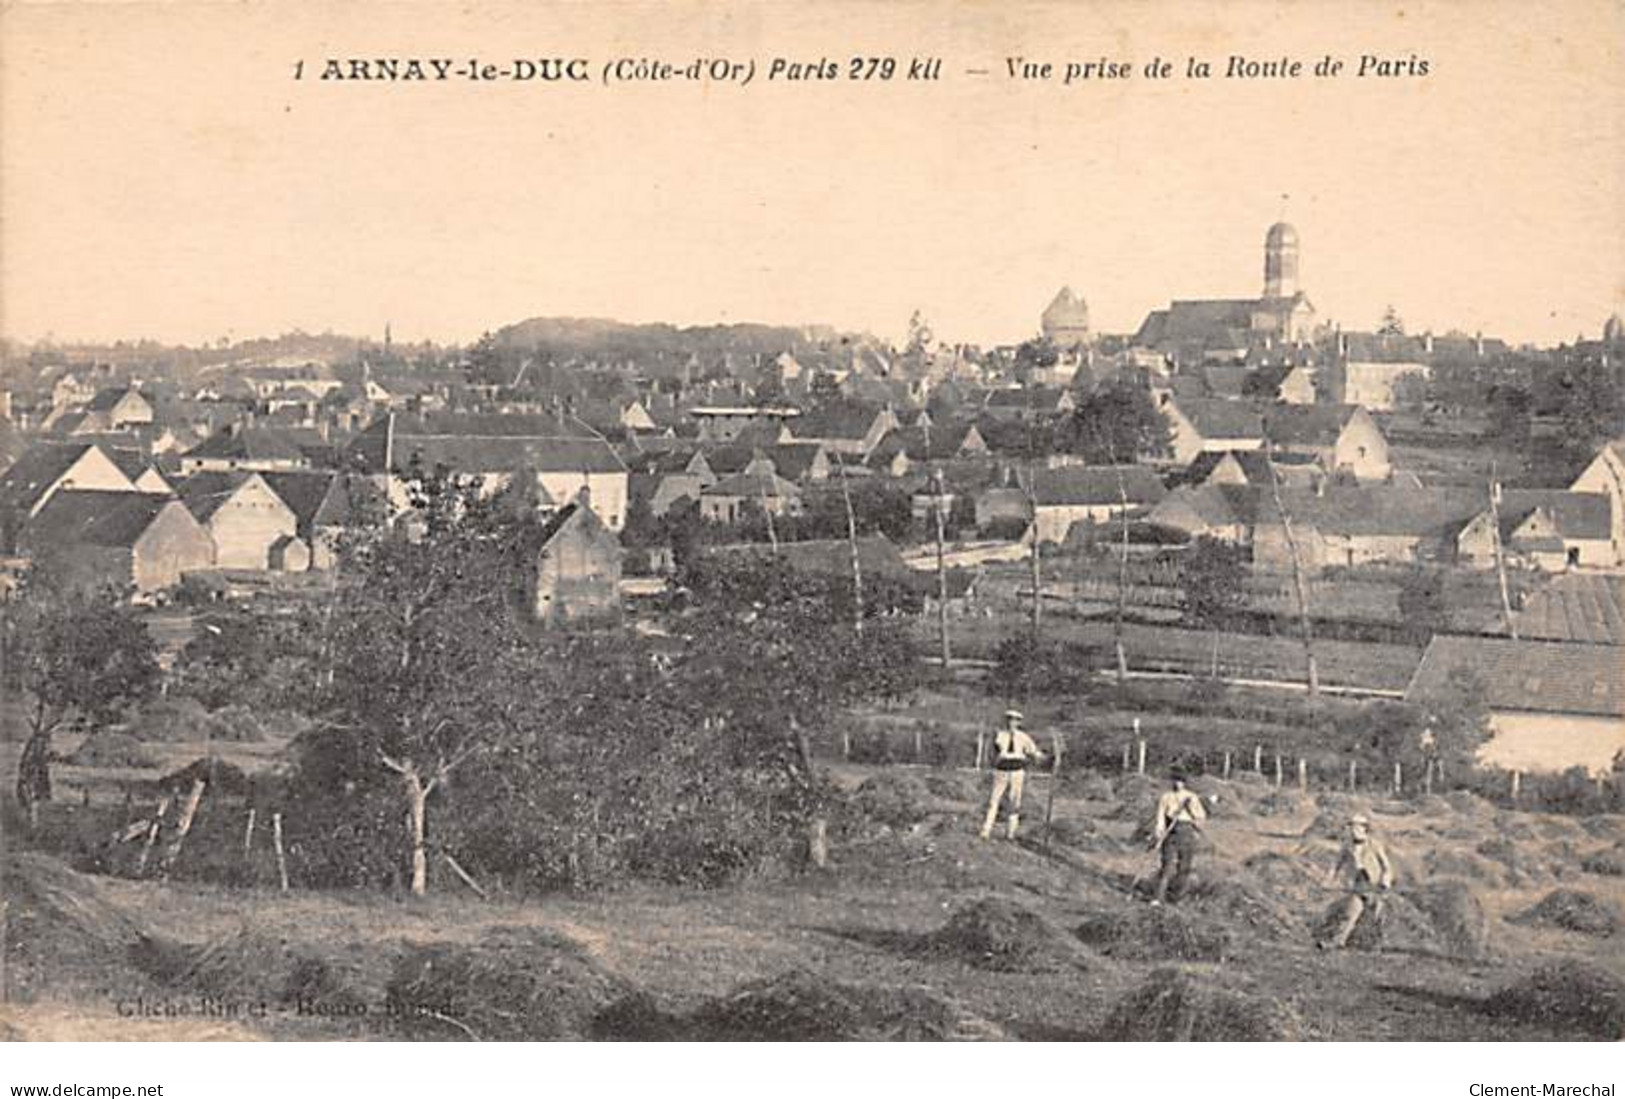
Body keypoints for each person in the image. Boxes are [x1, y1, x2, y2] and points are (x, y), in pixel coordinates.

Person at [1317, 814, 1394, 950]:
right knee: (1350, 914)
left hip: (1375, 886)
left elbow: (1386, 866)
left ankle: (1376, 946)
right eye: (1351, 826)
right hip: (1358, 885)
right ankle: (1337, 942)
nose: (1353, 830)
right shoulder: (1347, 846)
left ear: (1365, 828)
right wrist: (1327, 880)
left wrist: (1385, 882)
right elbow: (1336, 864)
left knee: (1376, 917)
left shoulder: (1375, 845)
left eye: (1356, 826)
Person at [980, 710, 1042, 840]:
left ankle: (1010, 834)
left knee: (1014, 803)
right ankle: (986, 831)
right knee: (994, 801)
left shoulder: (1023, 737)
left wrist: (1043, 757)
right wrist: (993, 762)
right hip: (1001, 771)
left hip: (1017, 772)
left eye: (1015, 720)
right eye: (1009, 719)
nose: (1011, 723)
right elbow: (991, 753)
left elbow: (1034, 752)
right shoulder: (999, 735)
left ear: (1019, 722)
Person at [1149, 770, 1206, 905]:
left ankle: (1179, 898)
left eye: (1180, 781)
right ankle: (1158, 897)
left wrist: (1190, 810)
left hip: (1186, 832)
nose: (1177, 784)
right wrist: (1159, 832)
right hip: (1170, 833)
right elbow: (1160, 817)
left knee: (1184, 867)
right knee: (1167, 866)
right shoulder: (1166, 797)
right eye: (1175, 781)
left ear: (1185, 783)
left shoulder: (1191, 797)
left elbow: (1200, 817)